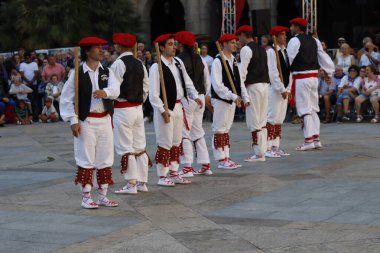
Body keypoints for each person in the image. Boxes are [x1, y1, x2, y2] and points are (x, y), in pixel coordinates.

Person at [60, 36, 120, 209]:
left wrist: (105, 92)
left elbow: (116, 90)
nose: (101, 50)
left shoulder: (107, 72)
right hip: (86, 120)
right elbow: (65, 99)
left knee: (105, 157)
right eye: (97, 47)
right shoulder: (77, 74)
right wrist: (73, 120)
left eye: (102, 47)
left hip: (105, 119)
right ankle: (86, 196)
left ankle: (103, 195)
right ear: (87, 51)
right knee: (85, 158)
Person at [149, 34, 202, 186]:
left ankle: (173, 171)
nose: (174, 47)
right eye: (170, 44)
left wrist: (195, 95)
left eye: (174, 44)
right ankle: (162, 175)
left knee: (176, 142)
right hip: (166, 108)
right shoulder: (156, 67)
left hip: (179, 105)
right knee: (165, 142)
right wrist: (161, 110)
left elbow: (187, 81)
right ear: (161, 47)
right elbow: (153, 94)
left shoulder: (178, 62)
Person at [110, 33, 151, 194]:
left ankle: (131, 183)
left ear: (120, 47)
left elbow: (113, 89)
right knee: (139, 145)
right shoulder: (140, 63)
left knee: (125, 146)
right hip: (137, 108)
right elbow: (146, 87)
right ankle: (142, 182)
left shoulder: (118, 64)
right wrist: (140, 101)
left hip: (123, 107)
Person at [287, 17, 335, 151]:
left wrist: (284, 78)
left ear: (297, 27)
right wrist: (329, 73)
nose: (290, 29)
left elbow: (288, 59)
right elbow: (324, 57)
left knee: (304, 109)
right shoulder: (315, 40)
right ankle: (316, 139)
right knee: (313, 108)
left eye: (292, 26)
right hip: (313, 78)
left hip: (301, 78)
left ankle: (308, 140)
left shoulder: (294, 40)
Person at [175, 31, 212, 177]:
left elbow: (179, 82)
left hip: (188, 98)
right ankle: (205, 164)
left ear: (181, 45)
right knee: (197, 131)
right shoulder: (200, 59)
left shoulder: (178, 60)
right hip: (200, 97)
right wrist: (204, 95)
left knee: (184, 132)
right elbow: (206, 80)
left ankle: (187, 167)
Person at [236, 25, 269, 162]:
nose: (238, 39)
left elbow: (242, 72)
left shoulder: (246, 49)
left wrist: (240, 92)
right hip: (264, 85)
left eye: (239, 36)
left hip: (253, 86)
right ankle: (263, 150)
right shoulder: (262, 49)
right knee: (262, 120)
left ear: (244, 35)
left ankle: (258, 153)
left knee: (254, 120)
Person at [210, 33, 242, 169]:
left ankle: (226, 156)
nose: (235, 45)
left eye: (235, 42)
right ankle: (220, 159)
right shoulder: (218, 61)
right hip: (221, 99)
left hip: (231, 99)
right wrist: (232, 96)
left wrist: (243, 96)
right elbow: (217, 85)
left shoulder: (233, 59)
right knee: (219, 129)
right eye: (232, 43)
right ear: (224, 44)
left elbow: (238, 81)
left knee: (226, 129)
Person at [264, 26, 292, 158]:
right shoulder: (271, 52)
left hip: (284, 89)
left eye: (285, 34)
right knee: (272, 117)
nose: (285, 37)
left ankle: (276, 146)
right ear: (275, 37)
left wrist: (288, 88)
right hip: (275, 90)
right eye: (281, 34)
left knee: (279, 119)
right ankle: (268, 147)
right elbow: (273, 73)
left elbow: (289, 71)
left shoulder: (285, 51)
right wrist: (281, 88)